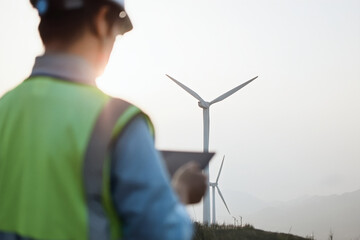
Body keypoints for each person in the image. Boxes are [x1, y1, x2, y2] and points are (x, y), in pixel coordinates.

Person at [0, 0, 207, 239]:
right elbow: (164, 233)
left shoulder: (5, 109)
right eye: (117, 31)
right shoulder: (117, 122)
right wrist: (179, 192)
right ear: (100, 20)